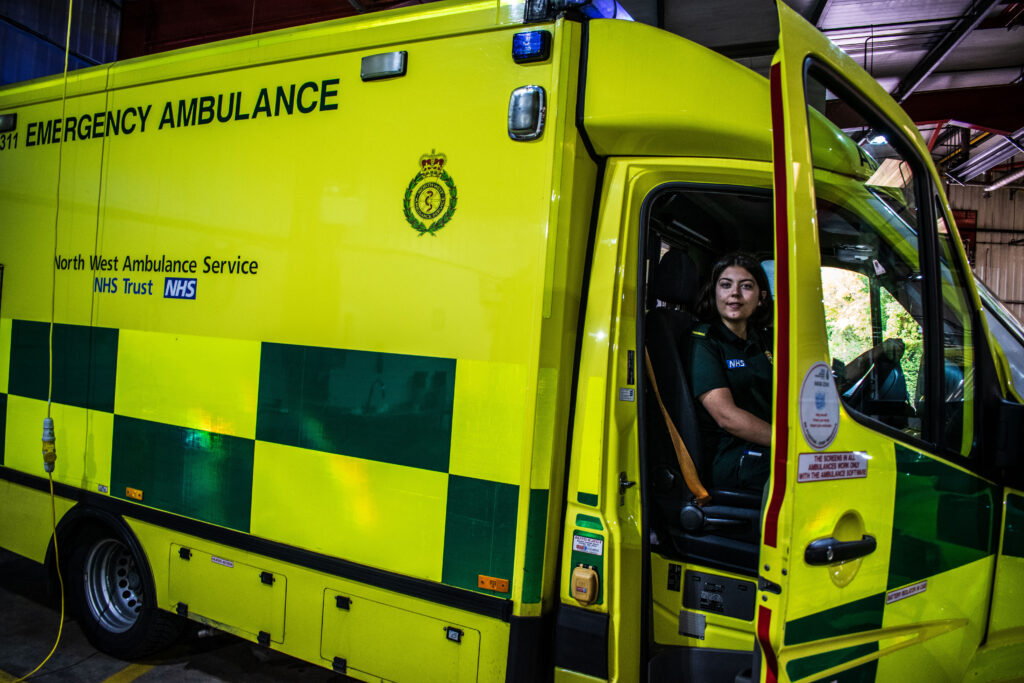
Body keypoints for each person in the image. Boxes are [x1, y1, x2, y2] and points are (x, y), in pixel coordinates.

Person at [688, 252, 774, 491]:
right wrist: (790, 444)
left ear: (761, 298)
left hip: (768, 447)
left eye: (746, 286)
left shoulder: (764, 340)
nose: (734, 293)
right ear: (715, 293)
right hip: (732, 457)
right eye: (725, 285)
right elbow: (726, 417)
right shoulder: (705, 341)